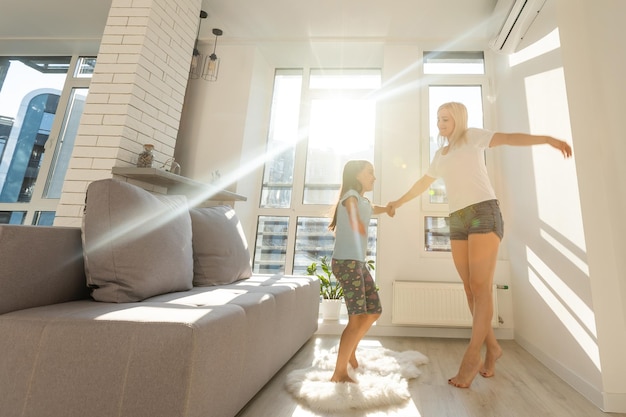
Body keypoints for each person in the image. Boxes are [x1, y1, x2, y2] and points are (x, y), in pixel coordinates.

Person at [389, 102, 572, 388]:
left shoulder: (472, 137)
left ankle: (473, 355)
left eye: (445, 118)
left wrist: (547, 139)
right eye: (438, 119)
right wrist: (396, 203)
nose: (440, 123)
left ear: (458, 119)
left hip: (483, 213)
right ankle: (494, 349)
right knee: (470, 288)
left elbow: (509, 138)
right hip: (457, 219)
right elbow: (423, 184)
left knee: (480, 286)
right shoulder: (441, 154)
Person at [328, 160, 393, 383]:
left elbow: (374, 208)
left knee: (374, 311)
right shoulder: (351, 196)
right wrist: (357, 224)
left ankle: (351, 349)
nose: (374, 177)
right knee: (356, 319)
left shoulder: (363, 200)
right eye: (370, 173)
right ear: (357, 175)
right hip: (346, 263)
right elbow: (353, 209)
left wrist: (389, 208)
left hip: (357, 262)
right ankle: (339, 372)